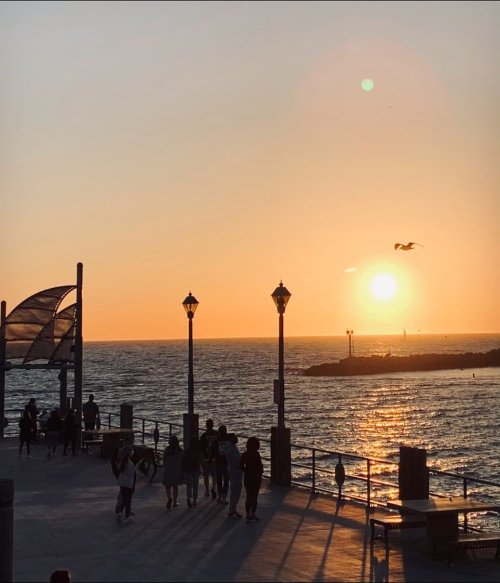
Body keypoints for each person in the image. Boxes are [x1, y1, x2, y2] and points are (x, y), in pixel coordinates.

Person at [114, 445, 143, 524]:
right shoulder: (128, 462)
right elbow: (130, 473)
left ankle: (119, 512)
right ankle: (127, 516)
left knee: (124, 499)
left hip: (122, 483)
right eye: (131, 452)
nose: (132, 453)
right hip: (128, 484)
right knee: (128, 500)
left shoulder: (122, 461)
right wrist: (136, 467)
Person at [240, 436, 264, 522]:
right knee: (254, 496)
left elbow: (241, 465)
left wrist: (246, 470)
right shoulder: (256, 454)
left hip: (248, 477)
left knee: (248, 495)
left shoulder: (245, 454)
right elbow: (260, 466)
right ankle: (253, 514)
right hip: (256, 477)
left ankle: (248, 514)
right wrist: (260, 473)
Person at [162, 434, 184, 509]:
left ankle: (169, 498)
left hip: (168, 469)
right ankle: (175, 501)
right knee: (175, 486)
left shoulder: (167, 450)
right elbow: (181, 461)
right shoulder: (179, 450)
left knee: (167, 486)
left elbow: (164, 461)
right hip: (176, 470)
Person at [181, 435, 203, 508]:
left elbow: (183, 461)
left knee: (189, 485)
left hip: (188, 469)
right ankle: (194, 500)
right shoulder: (198, 451)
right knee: (195, 485)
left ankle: (188, 499)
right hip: (195, 469)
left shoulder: (187, 451)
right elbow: (200, 460)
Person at [199, 418, 218, 499]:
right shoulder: (217, 434)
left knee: (206, 475)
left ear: (206, 425)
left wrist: (202, 459)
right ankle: (213, 488)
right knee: (214, 475)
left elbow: (201, 449)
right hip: (214, 458)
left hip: (206, 458)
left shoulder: (203, 436)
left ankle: (207, 490)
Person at [226, 433, 243, 518]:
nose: (236, 438)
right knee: (236, 490)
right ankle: (232, 509)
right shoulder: (231, 449)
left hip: (233, 471)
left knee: (234, 490)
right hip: (235, 471)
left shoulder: (230, 447)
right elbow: (236, 461)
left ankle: (232, 508)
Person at [214, 424, 230, 504]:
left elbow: (213, 450)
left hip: (219, 463)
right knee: (226, 480)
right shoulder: (228, 440)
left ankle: (220, 496)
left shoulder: (217, 440)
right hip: (226, 463)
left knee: (220, 480)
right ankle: (223, 496)